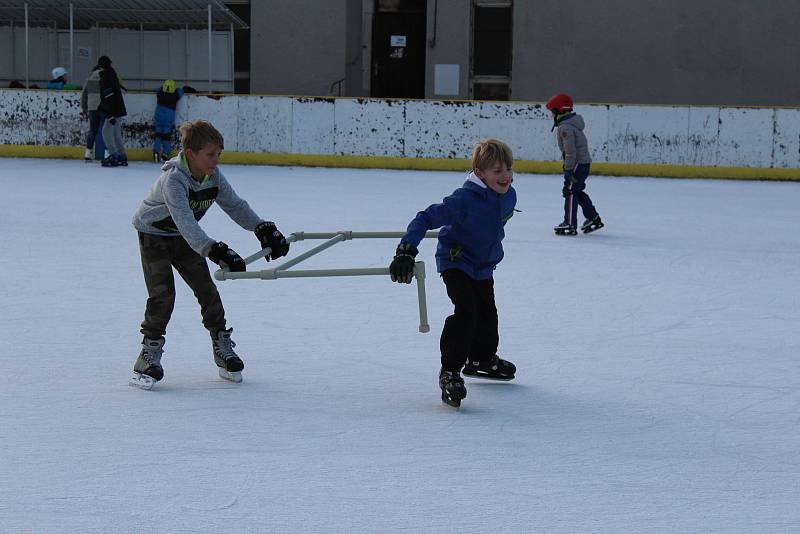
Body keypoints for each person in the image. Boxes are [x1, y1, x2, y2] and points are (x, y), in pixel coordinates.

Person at [129, 119, 290, 390]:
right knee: (163, 294)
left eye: (219, 154)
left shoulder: (212, 177)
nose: (216, 161)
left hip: (183, 237)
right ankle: (148, 354)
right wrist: (215, 250)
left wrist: (262, 228)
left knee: (207, 290)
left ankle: (221, 345)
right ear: (191, 154)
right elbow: (186, 222)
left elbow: (235, 206)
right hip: (154, 236)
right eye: (210, 155)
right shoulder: (174, 180)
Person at [389, 139, 518, 408]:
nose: (505, 175)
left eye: (508, 168)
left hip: (483, 265)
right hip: (455, 260)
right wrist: (406, 249)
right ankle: (450, 371)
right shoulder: (464, 199)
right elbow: (425, 217)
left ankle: (480, 359)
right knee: (466, 311)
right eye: (497, 170)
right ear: (480, 173)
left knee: (487, 313)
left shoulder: (509, 196)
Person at [546, 93, 603, 235]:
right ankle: (593, 218)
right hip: (582, 164)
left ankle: (570, 223)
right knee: (576, 190)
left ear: (559, 111)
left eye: (552, 111)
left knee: (570, 191)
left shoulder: (565, 128)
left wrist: (568, 169)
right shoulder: (571, 124)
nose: (551, 115)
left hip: (576, 164)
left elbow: (570, 151)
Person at [97, 56, 128, 167]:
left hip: (113, 110)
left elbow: (108, 97)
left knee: (106, 132)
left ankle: (113, 154)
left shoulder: (105, 78)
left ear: (101, 67)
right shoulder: (112, 74)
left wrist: (109, 114)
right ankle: (122, 155)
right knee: (115, 133)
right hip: (118, 108)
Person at [152, 79, 184, 163]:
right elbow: (181, 91)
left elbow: (159, 89)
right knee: (166, 138)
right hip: (168, 121)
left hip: (158, 119)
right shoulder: (175, 96)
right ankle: (165, 154)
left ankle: (156, 152)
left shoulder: (160, 94)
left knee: (158, 137)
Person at [80, 58, 106, 162]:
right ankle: (107, 154)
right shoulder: (105, 76)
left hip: (92, 107)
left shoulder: (90, 77)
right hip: (104, 106)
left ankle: (88, 153)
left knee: (92, 130)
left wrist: (84, 107)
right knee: (106, 131)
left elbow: (84, 94)